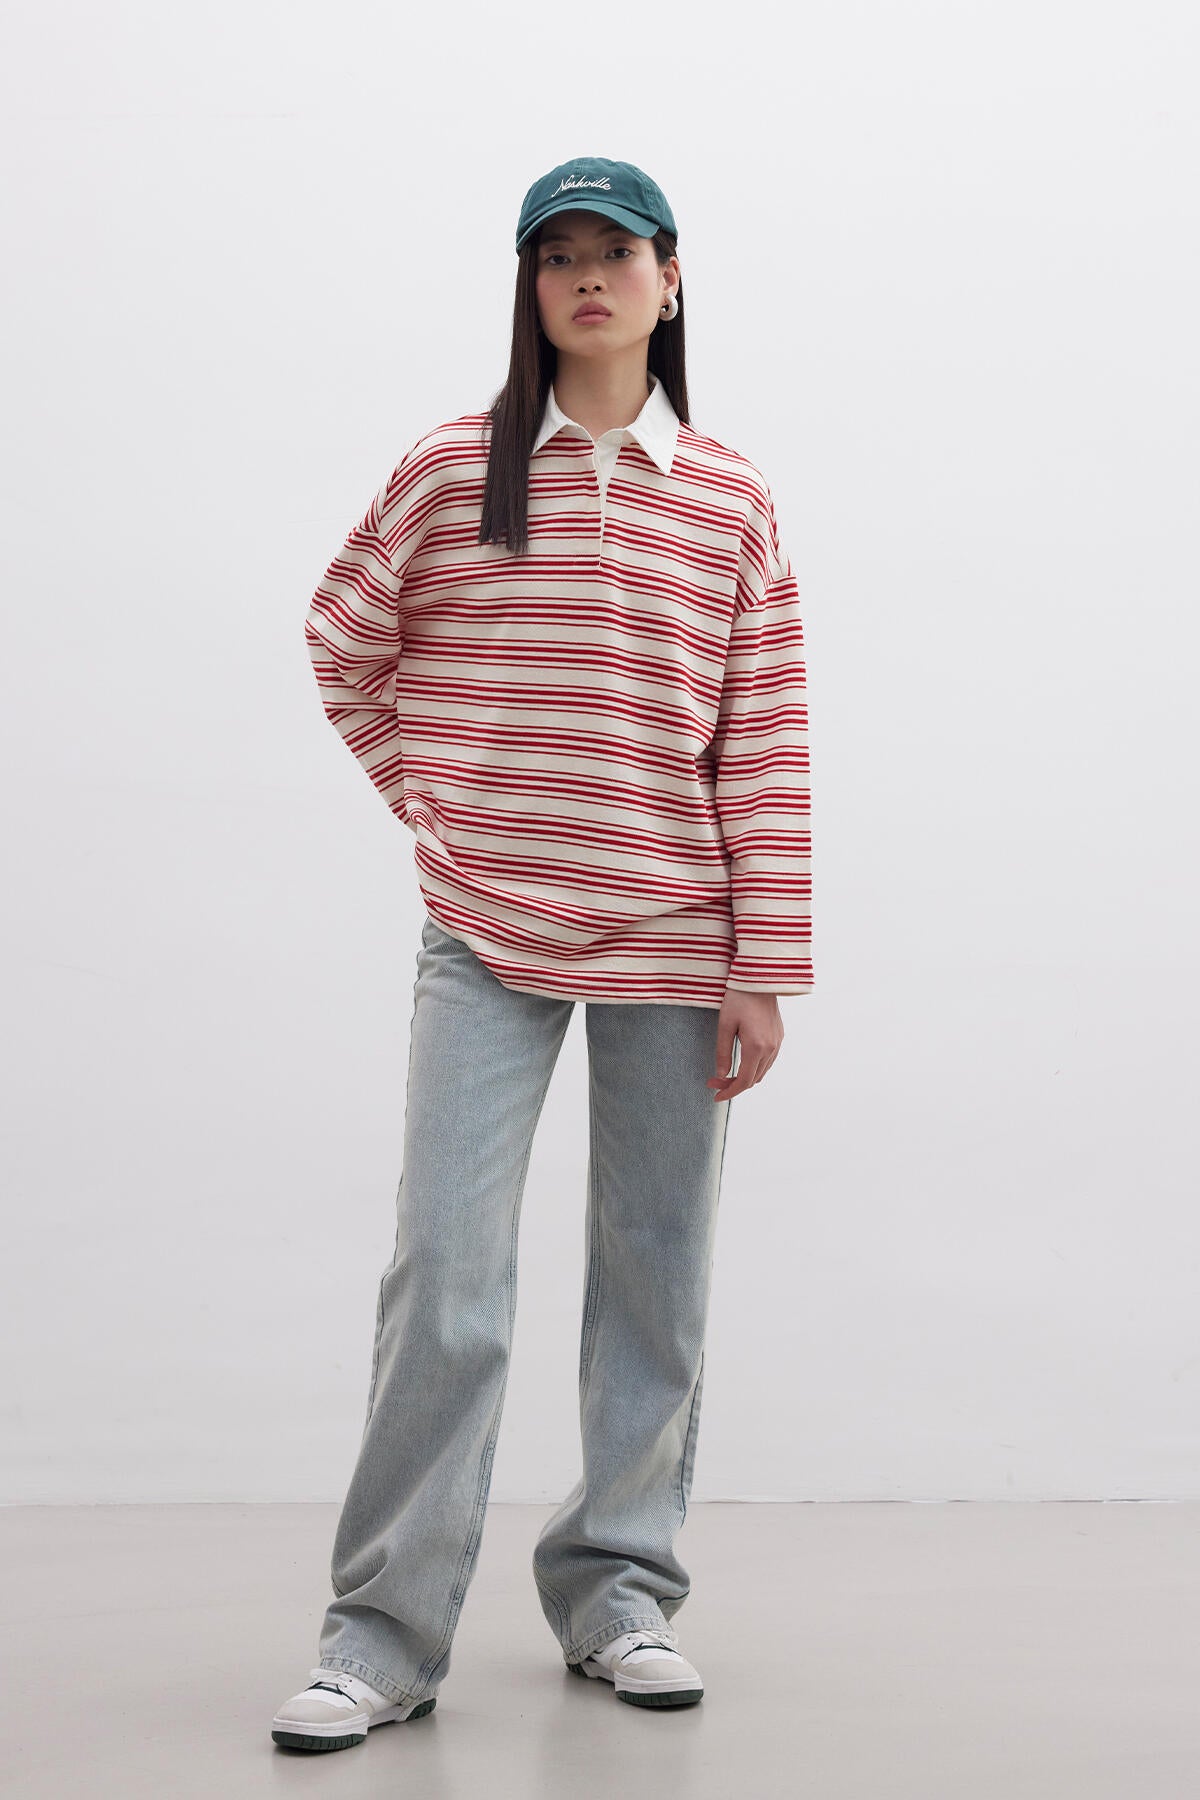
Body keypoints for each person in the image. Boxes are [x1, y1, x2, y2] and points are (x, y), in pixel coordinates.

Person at [272, 155, 813, 1754]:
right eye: (555, 254)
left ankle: (620, 1593)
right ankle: (382, 1637)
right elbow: (343, 641)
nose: (586, 277)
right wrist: (436, 806)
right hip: (486, 929)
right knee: (448, 1275)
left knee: (655, 1276)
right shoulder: (455, 469)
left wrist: (763, 959)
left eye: (615, 253)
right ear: (528, 286)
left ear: (670, 280)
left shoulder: (729, 497)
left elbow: (763, 739)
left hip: (678, 940)